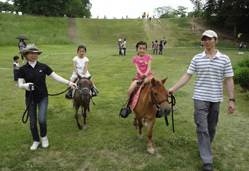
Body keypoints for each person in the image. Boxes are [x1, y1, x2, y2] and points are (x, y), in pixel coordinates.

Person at [168, 30, 235, 171]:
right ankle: (207, 161)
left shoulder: (225, 59)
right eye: (204, 39)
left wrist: (231, 100)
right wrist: (173, 88)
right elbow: (187, 76)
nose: (207, 41)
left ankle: (205, 148)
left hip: (215, 99)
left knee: (211, 128)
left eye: (209, 39)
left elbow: (229, 80)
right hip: (200, 98)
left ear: (216, 40)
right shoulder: (197, 58)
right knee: (202, 127)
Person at [18, 44, 77, 151]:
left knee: (41, 119)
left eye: (36, 53)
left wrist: (68, 83)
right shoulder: (22, 69)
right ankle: (36, 140)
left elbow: (55, 76)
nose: (34, 55)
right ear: (26, 55)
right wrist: (24, 86)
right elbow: (20, 83)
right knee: (32, 121)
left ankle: (44, 137)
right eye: (31, 53)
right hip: (30, 98)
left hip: (43, 97)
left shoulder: (43, 67)